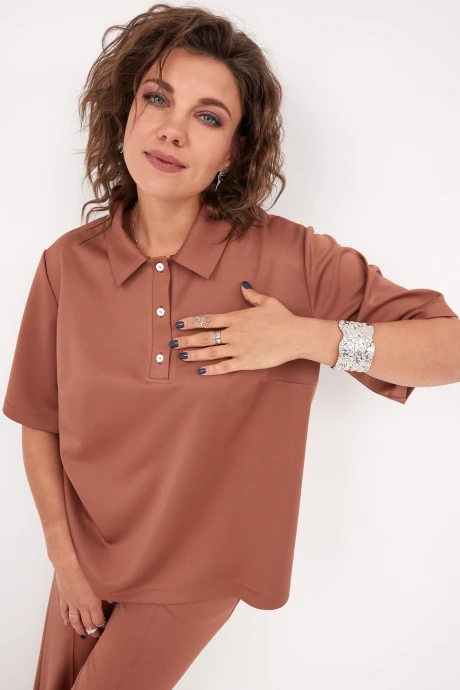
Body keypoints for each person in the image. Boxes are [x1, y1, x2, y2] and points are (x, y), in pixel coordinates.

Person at [3, 4, 459, 689]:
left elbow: (450, 347)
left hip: (201, 568)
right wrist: (64, 559)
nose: (173, 130)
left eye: (209, 117)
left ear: (235, 151)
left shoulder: (293, 258)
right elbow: (41, 418)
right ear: (125, 110)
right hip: (86, 556)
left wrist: (307, 336)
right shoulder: (66, 264)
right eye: (158, 98)